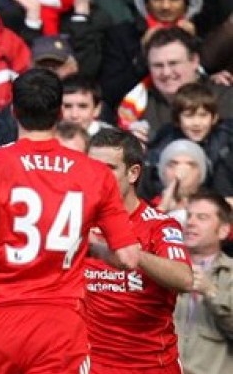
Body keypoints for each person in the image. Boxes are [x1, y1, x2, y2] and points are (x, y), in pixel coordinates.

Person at [0, 69, 141, 373]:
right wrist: (89, 247)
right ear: (61, 112)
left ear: (13, 111)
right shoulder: (95, 173)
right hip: (61, 324)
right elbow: (129, 258)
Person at [84, 128, 193, 373]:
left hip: (151, 365)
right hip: (92, 365)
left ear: (133, 173)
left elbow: (185, 279)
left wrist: (133, 255)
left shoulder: (159, 226)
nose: (98, 177)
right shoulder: (78, 222)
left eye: (109, 168)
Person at [174, 190, 233, 373]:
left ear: (223, 230)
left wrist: (211, 292)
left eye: (202, 217)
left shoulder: (230, 273)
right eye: (189, 216)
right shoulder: (165, 267)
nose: (190, 222)